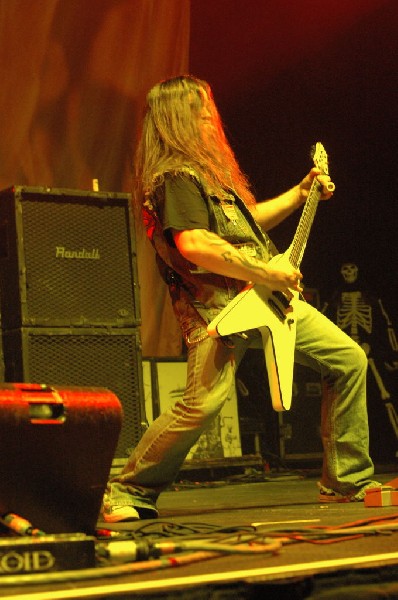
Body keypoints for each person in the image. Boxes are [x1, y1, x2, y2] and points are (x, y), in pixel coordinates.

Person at [102, 75, 380, 522]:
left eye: (209, 105)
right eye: (199, 108)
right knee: (203, 404)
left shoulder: (211, 179)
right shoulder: (173, 178)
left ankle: (346, 481)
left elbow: (245, 226)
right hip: (218, 309)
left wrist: (299, 194)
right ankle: (128, 490)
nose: (211, 115)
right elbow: (195, 245)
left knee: (348, 360)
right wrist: (267, 269)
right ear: (176, 118)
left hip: (265, 299)